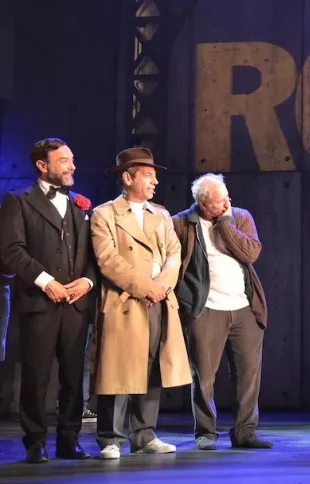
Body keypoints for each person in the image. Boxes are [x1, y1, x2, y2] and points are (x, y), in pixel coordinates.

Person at [90, 147, 192, 459]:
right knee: (118, 368)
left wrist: (160, 287)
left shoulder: (161, 214)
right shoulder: (105, 214)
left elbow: (174, 254)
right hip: (125, 300)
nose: (154, 182)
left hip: (158, 300)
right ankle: (111, 438)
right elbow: (108, 260)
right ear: (127, 177)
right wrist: (146, 287)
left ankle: (145, 434)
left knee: (151, 367)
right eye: (148, 175)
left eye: (154, 176)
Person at [0, 137, 95, 463]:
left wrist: (86, 281)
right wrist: (46, 282)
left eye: (72, 160)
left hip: (75, 304)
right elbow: (12, 250)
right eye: (64, 160)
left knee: (73, 376)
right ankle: (35, 442)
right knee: (36, 375)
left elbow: (92, 253)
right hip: (39, 303)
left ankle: (69, 440)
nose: (72, 166)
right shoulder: (18, 201)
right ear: (42, 165)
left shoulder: (80, 204)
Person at [173, 173, 272, 450]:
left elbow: (250, 253)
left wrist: (226, 223)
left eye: (227, 196)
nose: (227, 203)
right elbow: (173, 263)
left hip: (244, 308)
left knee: (248, 375)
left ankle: (245, 432)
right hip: (205, 309)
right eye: (220, 201)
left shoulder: (239, 216)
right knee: (204, 376)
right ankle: (206, 432)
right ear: (203, 204)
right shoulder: (181, 223)